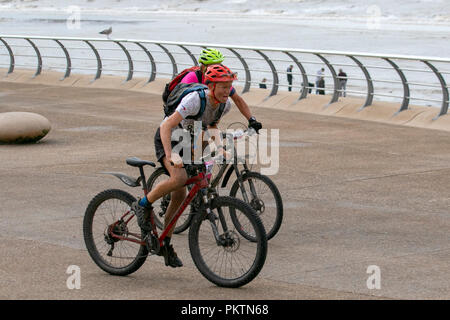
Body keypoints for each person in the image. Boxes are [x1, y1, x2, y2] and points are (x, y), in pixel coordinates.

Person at [131, 64, 239, 268]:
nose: (227, 91)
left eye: (229, 86)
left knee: (181, 195)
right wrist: (171, 156)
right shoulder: (194, 100)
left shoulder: (225, 105)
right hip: (168, 138)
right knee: (179, 179)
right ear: (211, 86)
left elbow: (211, 125)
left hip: (188, 140)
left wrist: (220, 148)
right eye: (222, 86)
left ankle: (165, 243)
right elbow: (166, 126)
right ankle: (142, 205)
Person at [181, 48, 262, 133]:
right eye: (213, 65)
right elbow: (183, 103)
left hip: (204, 119)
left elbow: (237, 100)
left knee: (213, 140)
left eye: (219, 65)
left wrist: (251, 119)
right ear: (203, 66)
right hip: (185, 119)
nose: (217, 68)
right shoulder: (191, 78)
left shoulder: (218, 80)